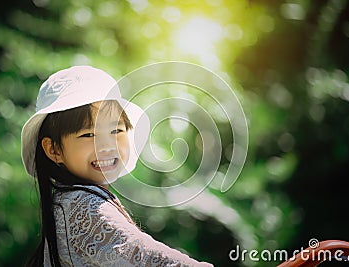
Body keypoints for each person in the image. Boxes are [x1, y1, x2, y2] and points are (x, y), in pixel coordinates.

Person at [21, 66, 213, 266]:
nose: (106, 146)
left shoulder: (67, 202)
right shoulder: (84, 207)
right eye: (88, 134)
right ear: (54, 150)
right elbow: (145, 256)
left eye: (116, 130)